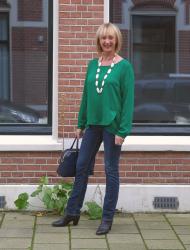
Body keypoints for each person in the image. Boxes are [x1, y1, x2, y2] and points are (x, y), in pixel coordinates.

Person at [52, 22, 134, 235]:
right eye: (103, 38)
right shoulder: (92, 65)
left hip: (113, 126)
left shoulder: (124, 67)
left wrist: (122, 131)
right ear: (99, 41)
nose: (107, 41)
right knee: (81, 166)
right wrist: (81, 123)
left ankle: (107, 218)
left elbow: (128, 102)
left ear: (116, 40)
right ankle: (72, 212)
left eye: (111, 38)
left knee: (110, 171)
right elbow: (87, 96)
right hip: (93, 125)